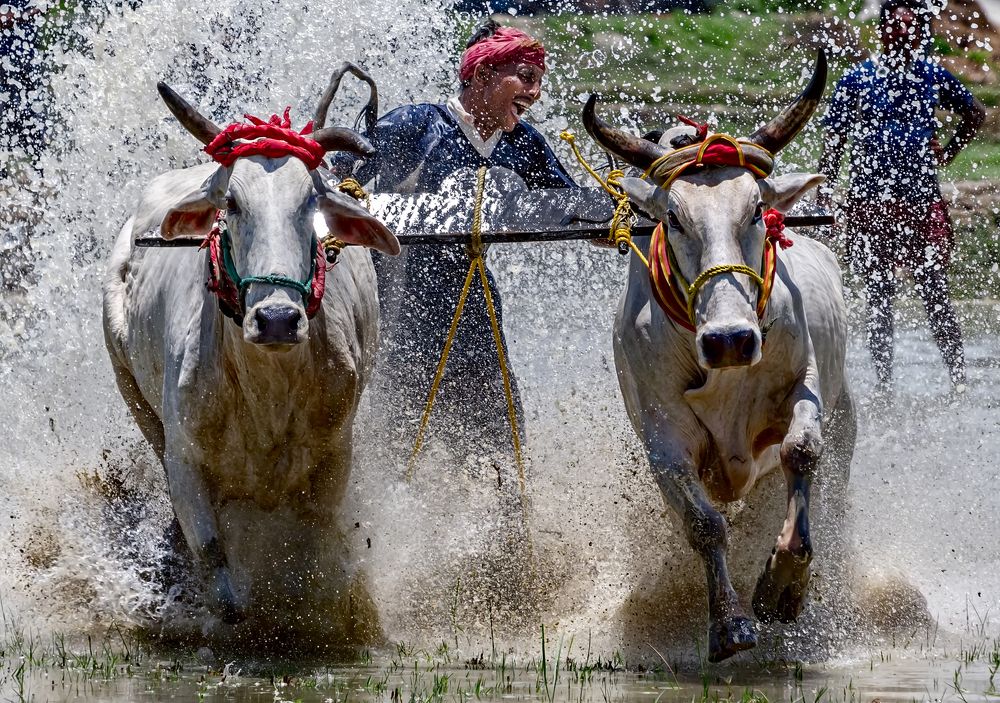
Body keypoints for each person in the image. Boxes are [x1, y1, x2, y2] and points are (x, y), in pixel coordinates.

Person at [332, 21, 577, 465]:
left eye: (539, 81)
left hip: (478, 313)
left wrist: (650, 213)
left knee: (504, 447)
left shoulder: (525, 144)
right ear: (482, 75)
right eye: (526, 77)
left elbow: (578, 210)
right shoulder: (416, 125)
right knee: (395, 445)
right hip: (400, 312)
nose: (536, 92)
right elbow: (334, 182)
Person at [818, 0, 984, 398]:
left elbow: (975, 113)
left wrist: (949, 151)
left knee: (935, 290)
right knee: (879, 294)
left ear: (920, 35)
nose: (903, 35)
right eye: (896, 27)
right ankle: (884, 385)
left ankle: (959, 380)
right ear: (882, 32)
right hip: (870, 201)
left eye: (911, 28)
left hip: (920, 201)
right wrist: (824, 192)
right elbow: (834, 140)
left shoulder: (931, 75)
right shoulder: (858, 79)